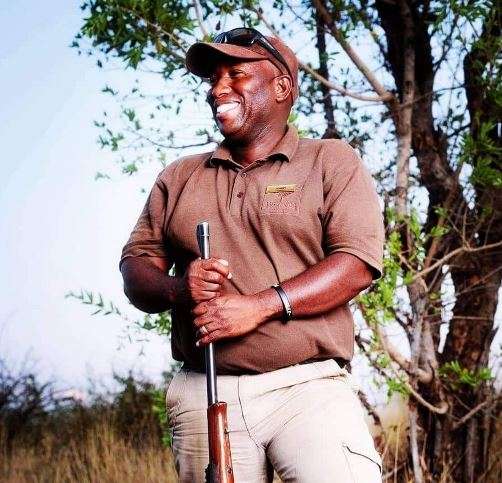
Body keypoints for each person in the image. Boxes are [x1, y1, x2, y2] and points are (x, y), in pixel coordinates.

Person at [120, 27, 384, 483]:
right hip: (205, 390)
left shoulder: (330, 160)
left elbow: (357, 262)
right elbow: (135, 268)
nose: (217, 89)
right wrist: (180, 288)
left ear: (282, 87)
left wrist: (260, 306)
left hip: (307, 387)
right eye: (213, 79)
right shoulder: (179, 177)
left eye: (236, 74)